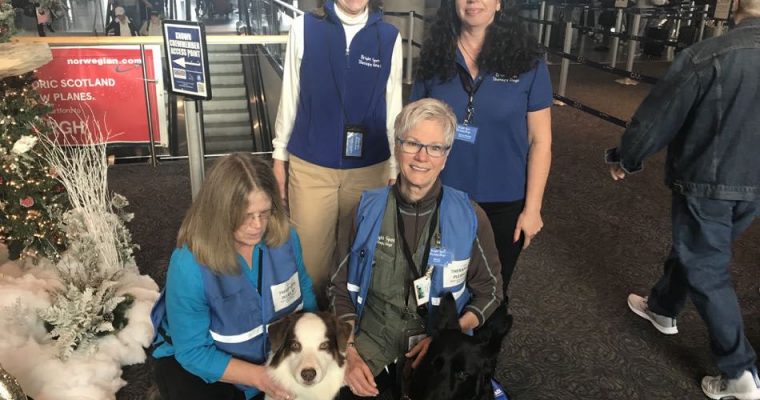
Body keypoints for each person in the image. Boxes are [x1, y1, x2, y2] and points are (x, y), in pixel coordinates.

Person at [606, 0, 760, 397]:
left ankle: (739, 372)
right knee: (698, 248)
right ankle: (663, 306)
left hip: (708, 181)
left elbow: (659, 115)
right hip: (754, 184)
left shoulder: (709, 54)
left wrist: (627, 157)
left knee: (707, 266)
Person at [328, 98, 504, 399]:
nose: (422, 156)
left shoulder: (470, 217)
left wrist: (450, 334)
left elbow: (491, 292)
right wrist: (349, 353)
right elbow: (338, 289)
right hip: (372, 343)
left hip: (439, 352)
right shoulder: (364, 211)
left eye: (435, 147)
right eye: (412, 143)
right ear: (397, 147)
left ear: (446, 156)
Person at [411, 0, 552, 303]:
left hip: (504, 204)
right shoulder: (435, 58)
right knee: (438, 289)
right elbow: (413, 131)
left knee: (491, 293)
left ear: (500, 3)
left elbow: (541, 140)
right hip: (441, 199)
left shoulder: (528, 62)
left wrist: (533, 209)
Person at [150, 153, 318, 400]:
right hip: (204, 364)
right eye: (246, 215)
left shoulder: (287, 238)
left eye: (264, 212)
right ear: (219, 211)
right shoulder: (188, 264)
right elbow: (194, 352)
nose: (257, 225)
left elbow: (304, 294)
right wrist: (260, 378)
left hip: (271, 360)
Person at [272, 0, 403, 308]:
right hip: (311, 166)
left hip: (370, 168)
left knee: (358, 258)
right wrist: (279, 156)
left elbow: (393, 106)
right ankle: (310, 329)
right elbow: (289, 96)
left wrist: (395, 167)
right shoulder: (304, 28)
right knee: (311, 264)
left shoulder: (388, 37)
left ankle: (348, 331)